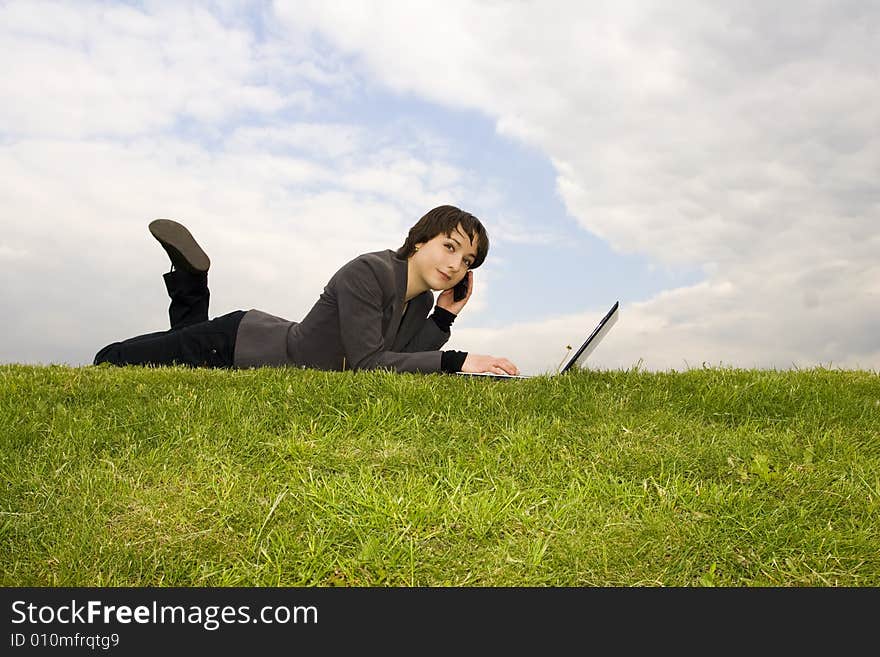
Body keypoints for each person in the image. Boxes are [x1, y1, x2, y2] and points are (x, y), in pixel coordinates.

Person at [93, 205, 520, 376]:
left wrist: (444, 315)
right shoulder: (369, 271)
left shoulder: (420, 300)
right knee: (112, 361)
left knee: (177, 365)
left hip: (252, 339)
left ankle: (189, 280)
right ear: (420, 240)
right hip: (234, 343)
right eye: (450, 247)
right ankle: (191, 282)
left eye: (466, 261)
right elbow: (369, 364)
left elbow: (402, 357)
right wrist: (459, 361)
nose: (454, 265)